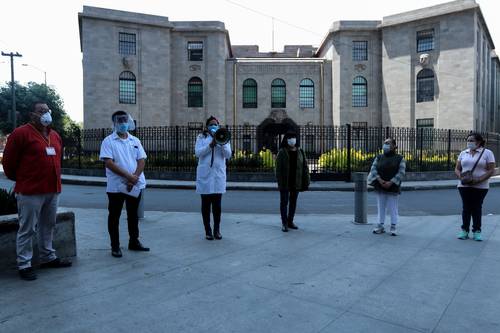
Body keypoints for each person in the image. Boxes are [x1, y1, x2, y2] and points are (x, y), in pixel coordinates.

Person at [2, 101, 72, 281]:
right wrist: (24, 180)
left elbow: (58, 160)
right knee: (27, 229)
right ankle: (24, 264)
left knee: (48, 225)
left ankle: (48, 257)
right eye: (41, 111)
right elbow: (8, 164)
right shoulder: (20, 134)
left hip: (52, 189)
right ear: (32, 114)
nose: (45, 114)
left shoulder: (55, 135)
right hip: (30, 191)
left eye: (47, 110)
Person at [99, 111, 149, 257]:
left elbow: (142, 160)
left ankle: (134, 241)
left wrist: (134, 178)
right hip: (116, 187)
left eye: (125, 120)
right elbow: (108, 163)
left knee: (133, 215)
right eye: (119, 121)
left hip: (134, 185)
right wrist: (129, 177)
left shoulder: (135, 140)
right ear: (114, 123)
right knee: (114, 216)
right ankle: (115, 246)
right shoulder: (108, 141)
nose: (123, 123)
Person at [195, 116, 232, 240]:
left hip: (218, 177)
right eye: (211, 124)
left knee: (217, 206)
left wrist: (221, 143)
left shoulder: (224, 136)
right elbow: (198, 153)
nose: (213, 126)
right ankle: (208, 231)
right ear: (206, 127)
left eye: (215, 124)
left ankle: (217, 230)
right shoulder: (201, 137)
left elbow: (228, 155)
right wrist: (210, 146)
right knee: (205, 205)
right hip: (205, 176)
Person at [455, 132, 495, 241]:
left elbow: (491, 170)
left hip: (481, 186)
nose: (469, 142)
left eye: (471, 140)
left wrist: (479, 179)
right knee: (466, 208)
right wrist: (461, 177)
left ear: (479, 142)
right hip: (464, 185)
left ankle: (477, 231)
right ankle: (464, 230)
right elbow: (457, 168)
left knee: (476, 208)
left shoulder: (487, 153)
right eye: (468, 140)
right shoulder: (464, 153)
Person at [368, 138, 406, 236]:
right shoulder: (379, 157)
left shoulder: (400, 158)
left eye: (388, 143)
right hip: (380, 185)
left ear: (394, 146)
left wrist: (391, 182)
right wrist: (379, 180)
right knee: (381, 206)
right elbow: (373, 168)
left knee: (393, 207)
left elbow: (401, 172)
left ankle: (393, 226)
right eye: (384, 143)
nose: (385, 145)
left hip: (393, 187)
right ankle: (380, 225)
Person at [275, 130, 310, 232]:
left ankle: (290, 221)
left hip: (296, 181)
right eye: (290, 138)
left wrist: (306, 180)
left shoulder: (300, 151)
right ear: (286, 140)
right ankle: (284, 223)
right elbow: (278, 169)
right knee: (284, 202)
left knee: (293, 202)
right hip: (285, 182)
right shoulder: (282, 152)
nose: (292, 140)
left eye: (293, 137)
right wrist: (279, 181)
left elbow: (305, 167)